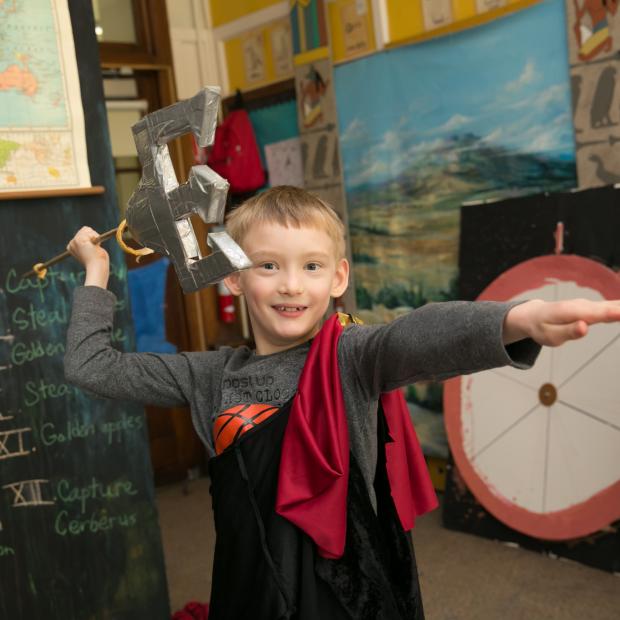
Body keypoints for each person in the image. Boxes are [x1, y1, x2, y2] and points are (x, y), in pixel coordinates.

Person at [65, 186, 620, 620]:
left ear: (338, 278)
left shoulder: (352, 355)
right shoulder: (207, 375)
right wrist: (97, 274)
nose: (291, 285)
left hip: (342, 596)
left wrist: (514, 318)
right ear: (233, 279)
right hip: (248, 585)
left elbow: (415, 334)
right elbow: (91, 366)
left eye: (311, 266)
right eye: (267, 266)